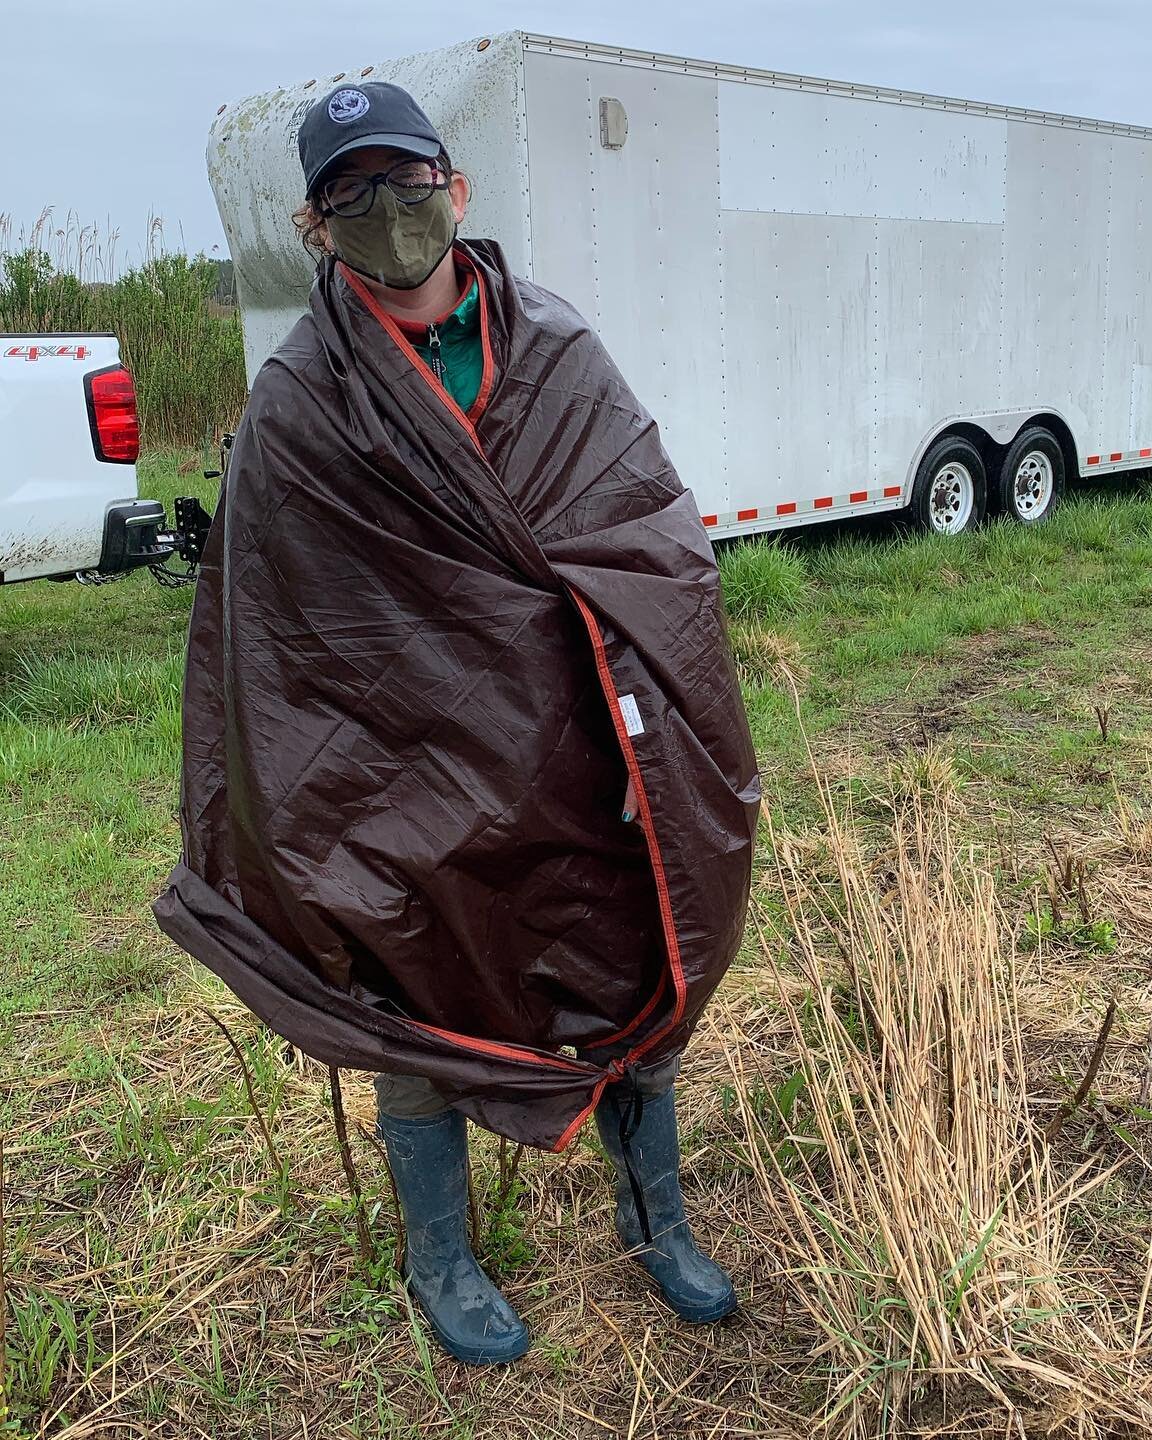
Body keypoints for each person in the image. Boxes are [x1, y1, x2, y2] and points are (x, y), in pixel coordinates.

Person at [152, 80, 759, 1367]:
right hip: (403, 774)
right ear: (318, 227)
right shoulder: (302, 401)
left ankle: (659, 1227)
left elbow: (654, 538)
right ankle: (443, 1261)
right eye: (354, 194)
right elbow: (279, 638)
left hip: (581, 736)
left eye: (408, 180)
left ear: (457, 188)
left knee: (633, 966)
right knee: (411, 980)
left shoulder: (553, 344)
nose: (392, 212)